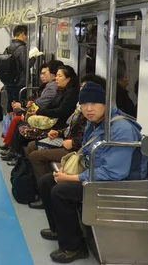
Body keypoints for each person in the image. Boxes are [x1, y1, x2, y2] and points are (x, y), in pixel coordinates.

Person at [38, 82, 147, 263]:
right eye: (84, 104)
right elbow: (87, 152)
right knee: (46, 182)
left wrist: (71, 178)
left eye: (94, 103)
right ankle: (59, 229)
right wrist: (67, 167)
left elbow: (113, 173)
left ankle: (75, 247)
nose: (89, 109)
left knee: (61, 191)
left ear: (105, 103)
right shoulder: (94, 123)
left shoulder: (121, 130)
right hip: (98, 174)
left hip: (119, 183)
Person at [25, 74, 106, 209]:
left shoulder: (95, 118)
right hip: (70, 143)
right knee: (32, 146)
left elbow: (83, 143)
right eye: (82, 87)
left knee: (35, 155)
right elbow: (73, 129)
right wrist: (60, 132)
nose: (89, 107)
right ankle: (41, 190)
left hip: (73, 148)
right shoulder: (82, 110)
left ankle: (46, 195)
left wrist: (73, 143)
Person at [0, 25, 29, 111]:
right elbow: (26, 66)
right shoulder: (22, 48)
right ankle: (17, 123)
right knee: (18, 106)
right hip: (19, 83)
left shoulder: (8, 48)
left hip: (9, 82)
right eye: (26, 36)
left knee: (10, 104)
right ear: (22, 34)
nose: (26, 38)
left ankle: (9, 122)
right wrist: (34, 58)